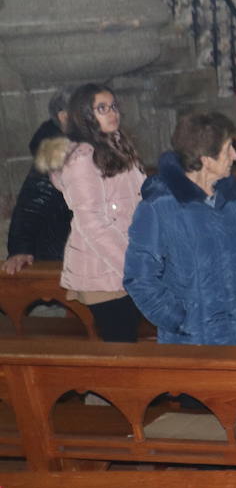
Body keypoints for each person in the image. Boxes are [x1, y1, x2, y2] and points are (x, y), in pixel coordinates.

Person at [124, 112, 236, 345]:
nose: (235, 155)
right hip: (197, 341)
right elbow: (140, 278)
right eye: (228, 149)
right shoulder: (158, 207)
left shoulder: (233, 197)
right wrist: (181, 320)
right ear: (206, 159)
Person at [50, 83, 147, 342]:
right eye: (101, 108)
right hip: (105, 267)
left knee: (131, 338)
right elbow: (91, 222)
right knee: (120, 342)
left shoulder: (118, 145)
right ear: (85, 116)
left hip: (130, 258)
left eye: (113, 106)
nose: (111, 112)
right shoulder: (81, 158)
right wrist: (132, 265)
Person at [4, 90, 73, 273]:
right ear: (64, 117)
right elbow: (31, 205)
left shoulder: (89, 146)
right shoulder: (56, 153)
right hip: (62, 250)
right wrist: (20, 250)